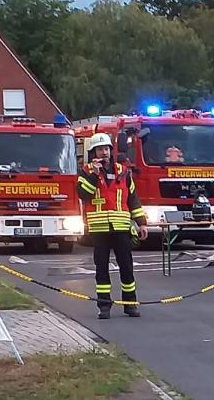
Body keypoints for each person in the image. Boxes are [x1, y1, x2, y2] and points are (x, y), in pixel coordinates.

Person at [77, 133, 147, 319]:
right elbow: (83, 195)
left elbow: (133, 199)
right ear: (93, 152)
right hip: (99, 230)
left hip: (121, 228)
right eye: (100, 149)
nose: (104, 152)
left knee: (126, 267)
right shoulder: (86, 172)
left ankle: (130, 304)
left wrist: (142, 223)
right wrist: (94, 175)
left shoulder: (123, 172)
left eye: (107, 149)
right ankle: (104, 306)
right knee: (101, 269)